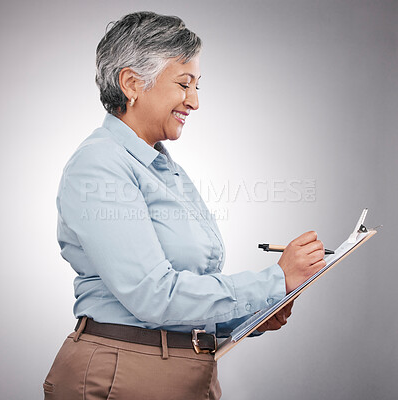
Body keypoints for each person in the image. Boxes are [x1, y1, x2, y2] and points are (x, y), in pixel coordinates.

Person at [43, 11, 326, 400]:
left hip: (184, 375)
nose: (194, 101)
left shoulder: (163, 167)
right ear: (131, 83)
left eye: (197, 86)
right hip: (124, 376)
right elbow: (153, 296)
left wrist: (254, 313)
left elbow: (179, 300)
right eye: (184, 84)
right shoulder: (99, 165)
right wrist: (274, 280)